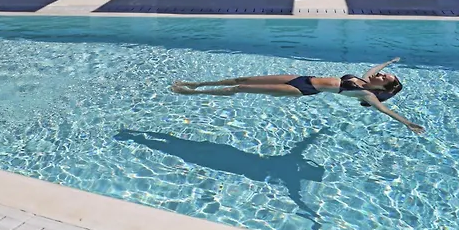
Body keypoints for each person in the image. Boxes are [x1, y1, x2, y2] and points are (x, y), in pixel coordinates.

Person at [171, 57, 425, 134]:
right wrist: (389, 62)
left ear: (383, 88)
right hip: (302, 77)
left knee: (240, 89)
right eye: (384, 73)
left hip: (303, 89)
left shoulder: (367, 94)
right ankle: (196, 84)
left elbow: (385, 110)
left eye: (384, 77)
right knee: (241, 79)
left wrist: (407, 123)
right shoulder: (364, 78)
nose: (381, 74)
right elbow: (374, 68)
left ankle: (192, 93)